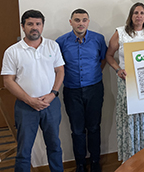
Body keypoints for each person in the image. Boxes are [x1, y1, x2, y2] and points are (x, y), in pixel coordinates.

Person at [1, 10, 65, 172]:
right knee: (24, 149)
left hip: (51, 104)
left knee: (54, 146)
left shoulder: (53, 46)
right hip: (25, 107)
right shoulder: (12, 51)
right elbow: (8, 80)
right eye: (30, 24)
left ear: (42, 26)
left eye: (38, 24)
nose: (34, 27)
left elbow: (60, 71)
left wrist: (53, 94)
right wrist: (29, 100)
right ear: (23, 26)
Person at [106, 2, 144, 163]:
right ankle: (131, 155)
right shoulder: (121, 32)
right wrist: (118, 70)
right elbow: (109, 55)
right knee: (131, 117)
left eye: (142, 13)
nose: (139, 16)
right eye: (136, 13)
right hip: (127, 81)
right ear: (131, 16)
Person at [56, 9, 107, 172]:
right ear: (70, 22)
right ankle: (80, 164)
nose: (81, 23)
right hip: (72, 91)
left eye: (84, 20)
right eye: (77, 20)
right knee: (77, 130)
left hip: (94, 89)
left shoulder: (98, 39)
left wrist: (93, 75)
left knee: (94, 127)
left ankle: (95, 162)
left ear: (88, 22)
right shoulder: (61, 42)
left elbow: (104, 58)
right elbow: (58, 66)